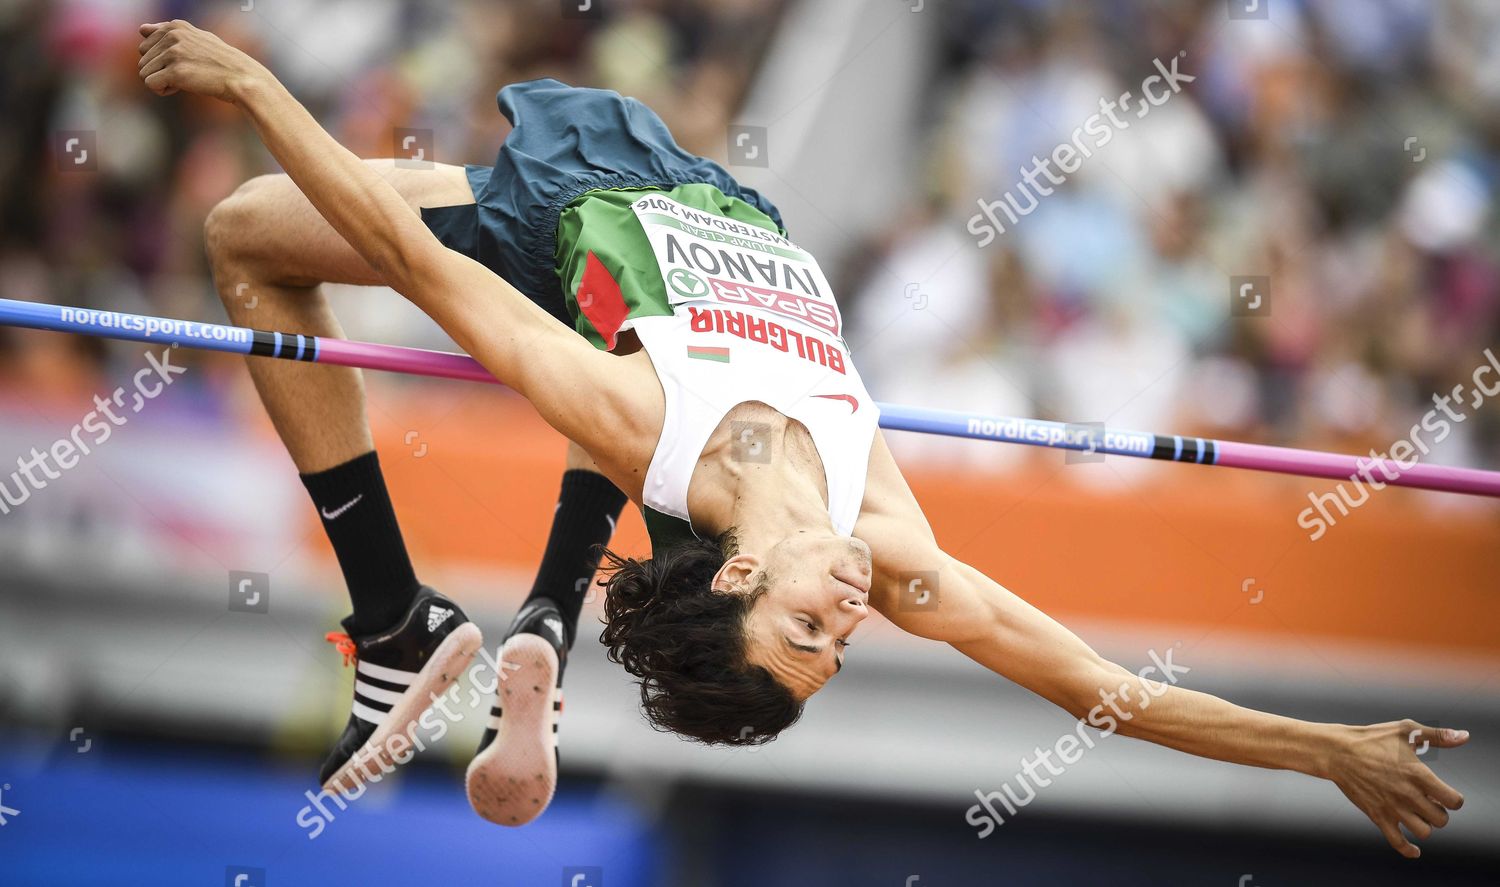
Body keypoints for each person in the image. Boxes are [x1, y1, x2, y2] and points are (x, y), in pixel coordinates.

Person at [146, 20, 1467, 855]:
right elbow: (1104, 695)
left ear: (739, 579)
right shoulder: (891, 545)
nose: (850, 617)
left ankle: (397, 619)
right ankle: (505, 619)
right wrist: (1326, 747)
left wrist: (258, 83)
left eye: (809, 634)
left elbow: (401, 261)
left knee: (244, 241)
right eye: (841, 649)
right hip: (716, 207)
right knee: (589, 388)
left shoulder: (649, 423)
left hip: (567, 215)